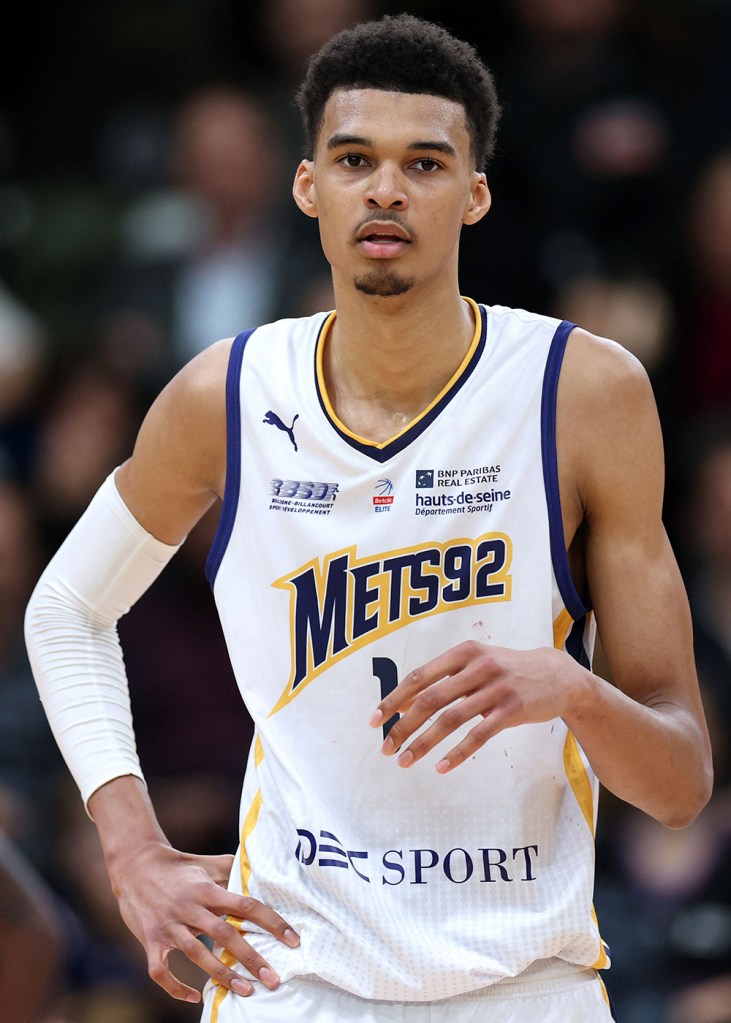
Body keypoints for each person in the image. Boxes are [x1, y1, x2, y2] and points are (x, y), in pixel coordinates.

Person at [25, 13, 713, 1023]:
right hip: (293, 977)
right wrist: (130, 846)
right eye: (354, 160)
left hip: (524, 980)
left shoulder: (581, 394)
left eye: (424, 164)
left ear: (474, 195)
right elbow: (67, 608)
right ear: (307, 186)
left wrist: (572, 691)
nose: (385, 189)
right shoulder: (225, 396)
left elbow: (680, 782)